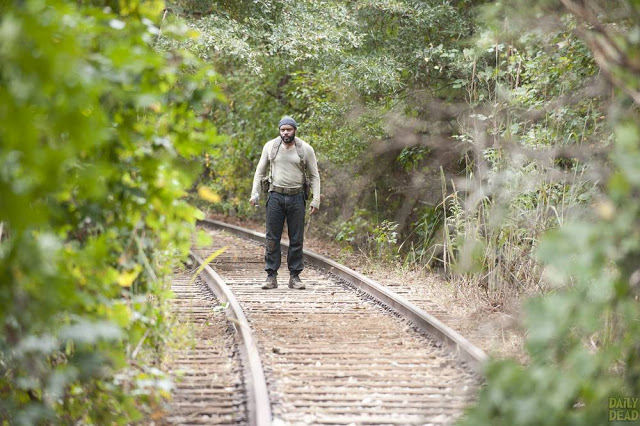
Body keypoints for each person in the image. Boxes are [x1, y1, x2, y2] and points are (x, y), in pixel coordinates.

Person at [250, 116, 321, 290]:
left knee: (296, 238)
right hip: (275, 195)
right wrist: (255, 193)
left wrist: (316, 199)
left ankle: (295, 277)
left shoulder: (305, 149)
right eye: (282, 130)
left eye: (289, 129)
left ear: (295, 130)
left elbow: (314, 176)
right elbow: (260, 171)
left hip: (297, 197)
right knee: (272, 237)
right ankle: (271, 276)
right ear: (279, 131)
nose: (285, 133)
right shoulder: (270, 147)